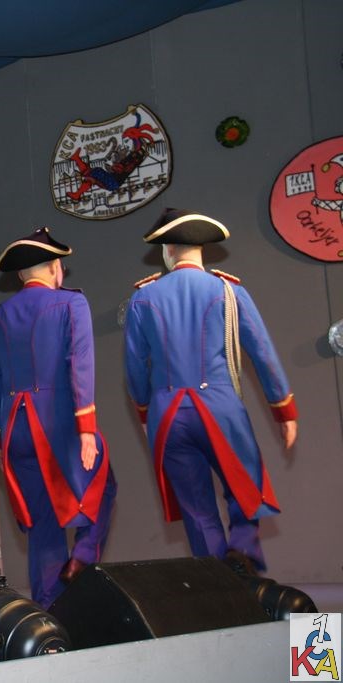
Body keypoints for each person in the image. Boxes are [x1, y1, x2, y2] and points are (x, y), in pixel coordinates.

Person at [123, 209, 298, 573]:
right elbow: (262, 353)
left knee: (197, 508)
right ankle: (242, 553)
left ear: (169, 250)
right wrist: (283, 409)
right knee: (246, 485)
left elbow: (135, 368)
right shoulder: (228, 291)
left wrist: (144, 412)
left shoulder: (144, 297)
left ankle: (220, 583)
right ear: (201, 248)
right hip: (218, 406)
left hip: (168, 414)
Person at [0, 227, 116, 609]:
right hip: (58, 424)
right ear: (56, 268)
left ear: (20, 275)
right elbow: (80, 363)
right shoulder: (71, 303)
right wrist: (86, 427)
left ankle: (50, 609)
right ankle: (83, 556)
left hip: (15, 430)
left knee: (42, 521)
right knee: (103, 486)